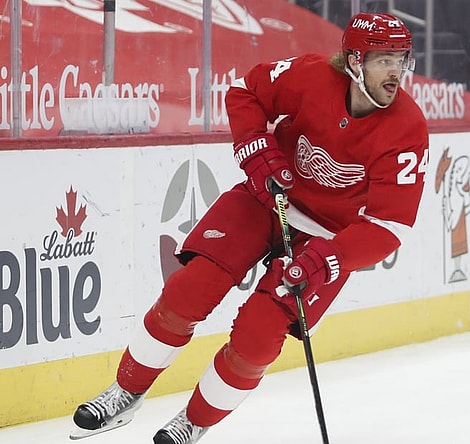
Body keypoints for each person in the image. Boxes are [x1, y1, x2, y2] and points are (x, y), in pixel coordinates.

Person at [70, 12, 429, 444]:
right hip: (268, 198)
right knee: (188, 291)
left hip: (326, 236)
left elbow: (389, 225)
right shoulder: (311, 75)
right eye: (384, 60)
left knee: (258, 338)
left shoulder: (407, 129)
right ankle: (126, 391)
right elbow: (245, 91)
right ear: (355, 61)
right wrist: (256, 152)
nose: (396, 72)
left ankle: (194, 421)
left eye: (401, 60)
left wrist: (328, 259)